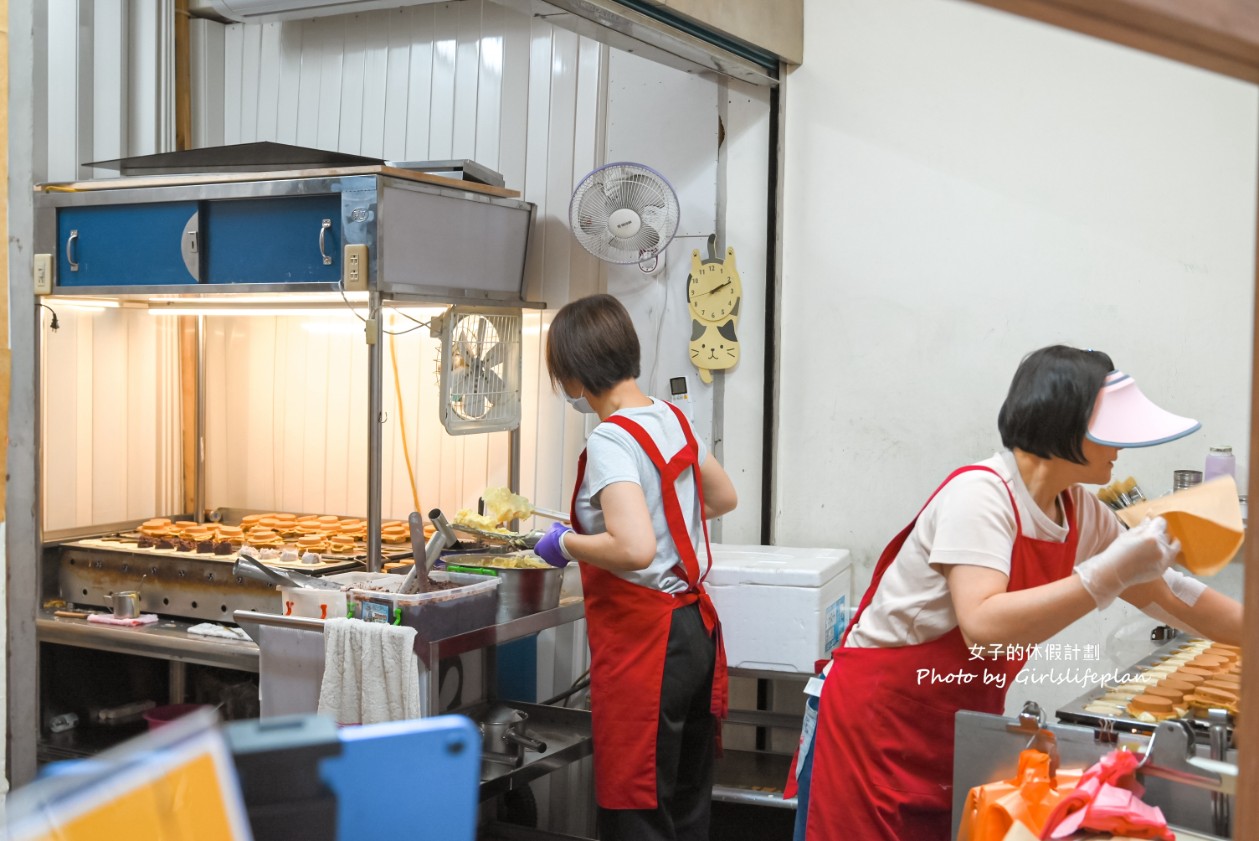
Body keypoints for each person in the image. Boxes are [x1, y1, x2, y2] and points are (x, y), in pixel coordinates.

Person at [797, 345, 1243, 841]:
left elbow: (1171, 597)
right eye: (1110, 429)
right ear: (1065, 423)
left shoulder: (1079, 512)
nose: (1122, 447)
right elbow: (984, 625)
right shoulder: (981, 495)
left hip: (958, 723)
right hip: (876, 726)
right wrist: (1107, 575)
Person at [531, 293, 739, 841]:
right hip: (694, 632)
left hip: (649, 642)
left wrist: (566, 543)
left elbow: (634, 549)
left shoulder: (611, 438)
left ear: (574, 375)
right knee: (685, 795)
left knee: (638, 804)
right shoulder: (671, 417)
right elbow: (721, 498)